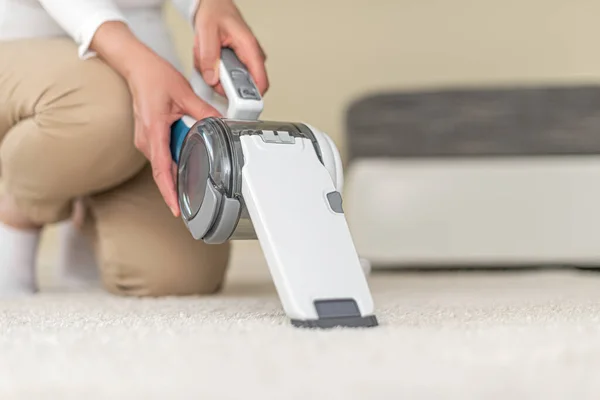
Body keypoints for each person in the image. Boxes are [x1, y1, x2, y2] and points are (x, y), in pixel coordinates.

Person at [0, 0, 269, 296]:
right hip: (21, 47)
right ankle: (17, 208)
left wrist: (209, 5)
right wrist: (134, 61)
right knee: (107, 109)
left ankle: (85, 206)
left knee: (181, 273)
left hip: (135, 65)